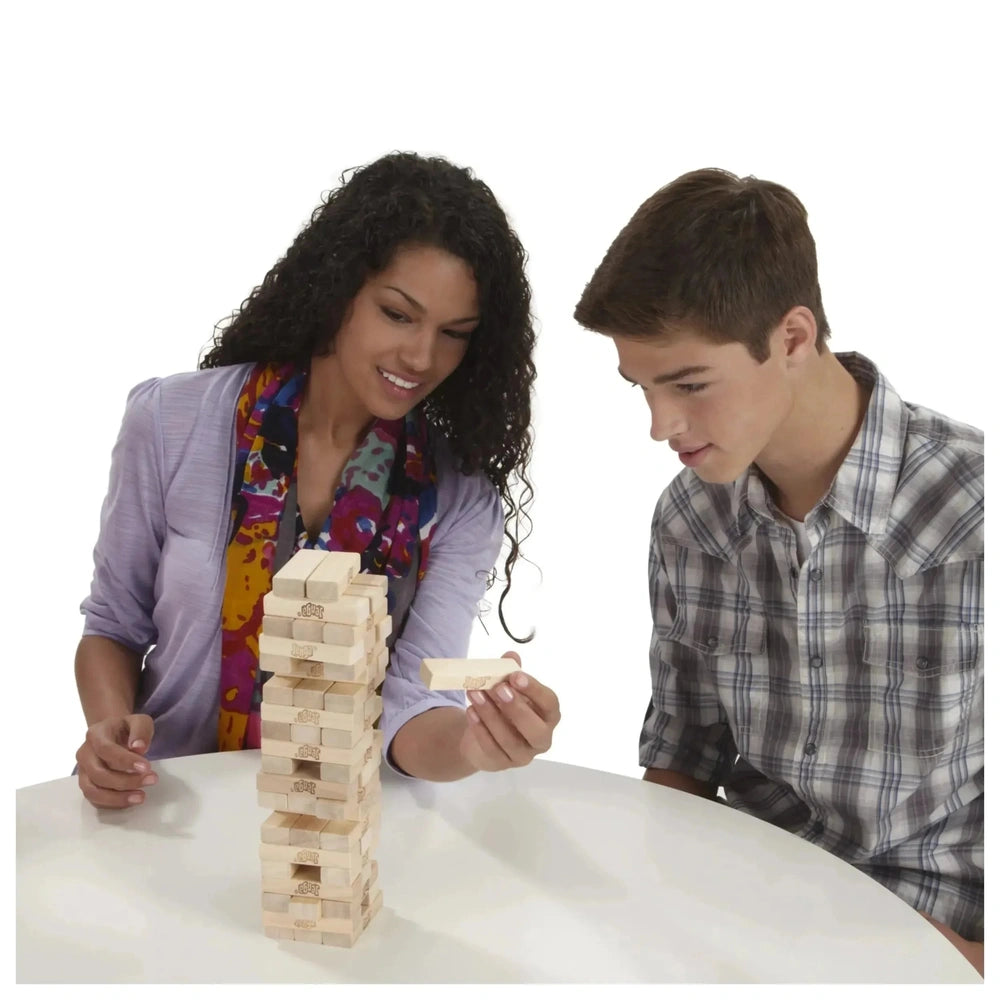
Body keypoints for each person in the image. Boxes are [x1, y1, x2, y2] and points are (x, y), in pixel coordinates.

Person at [573, 169, 983, 975]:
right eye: (642, 388)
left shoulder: (976, 516)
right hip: (744, 928)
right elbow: (683, 754)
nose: (661, 425)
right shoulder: (691, 521)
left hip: (934, 946)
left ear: (793, 338)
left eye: (689, 384)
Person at [75, 152, 561, 809]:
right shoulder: (170, 421)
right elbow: (114, 624)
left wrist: (476, 743)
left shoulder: (459, 497)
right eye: (397, 314)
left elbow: (415, 704)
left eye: (454, 334)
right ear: (339, 290)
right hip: (165, 811)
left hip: (335, 833)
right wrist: (108, 730)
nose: (421, 358)